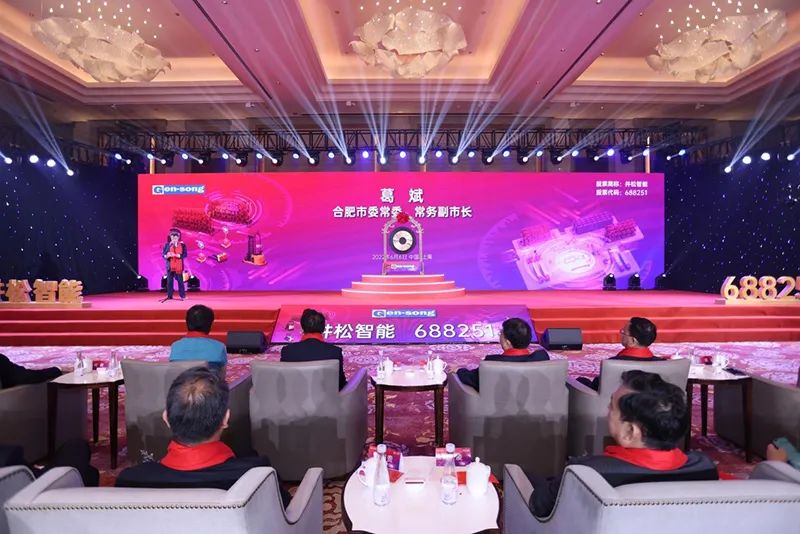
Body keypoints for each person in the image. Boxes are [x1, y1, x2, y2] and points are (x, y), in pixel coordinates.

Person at [528, 370, 718, 517]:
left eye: (611, 406)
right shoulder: (704, 467)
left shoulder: (586, 472)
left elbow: (539, 506)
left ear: (629, 431)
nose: (607, 411)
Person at [116, 367, 291, 507]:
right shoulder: (257, 476)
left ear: (166, 418)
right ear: (225, 419)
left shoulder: (129, 481)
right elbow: (285, 514)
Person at [455, 318, 549, 392]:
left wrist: (459, 371)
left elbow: (472, 379)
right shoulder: (542, 358)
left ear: (507, 342)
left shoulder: (492, 363)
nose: (500, 336)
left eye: (501, 333)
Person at [577, 317, 663, 390]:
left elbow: (596, 387)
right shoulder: (662, 363)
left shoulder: (612, 364)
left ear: (633, 341)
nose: (621, 334)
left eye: (623, 332)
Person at [280, 308, 347, 390]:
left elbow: (284, 381)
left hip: (294, 395)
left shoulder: (287, 351)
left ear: (302, 328)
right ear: (323, 329)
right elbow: (340, 383)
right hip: (325, 397)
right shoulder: (335, 352)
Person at [169, 305, 227, 375]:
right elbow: (222, 376)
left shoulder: (175, 346)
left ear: (187, 322)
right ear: (210, 324)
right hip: (209, 381)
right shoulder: (219, 347)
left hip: (182, 381)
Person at [162, 228, 187, 301]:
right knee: (169, 282)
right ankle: (169, 296)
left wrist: (178, 255)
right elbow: (164, 254)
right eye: (172, 237)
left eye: (175, 237)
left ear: (178, 238)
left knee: (180, 281)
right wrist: (167, 256)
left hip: (179, 266)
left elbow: (185, 254)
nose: (174, 239)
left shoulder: (182, 245)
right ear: (170, 237)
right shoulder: (167, 245)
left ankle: (182, 295)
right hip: (170, 265)